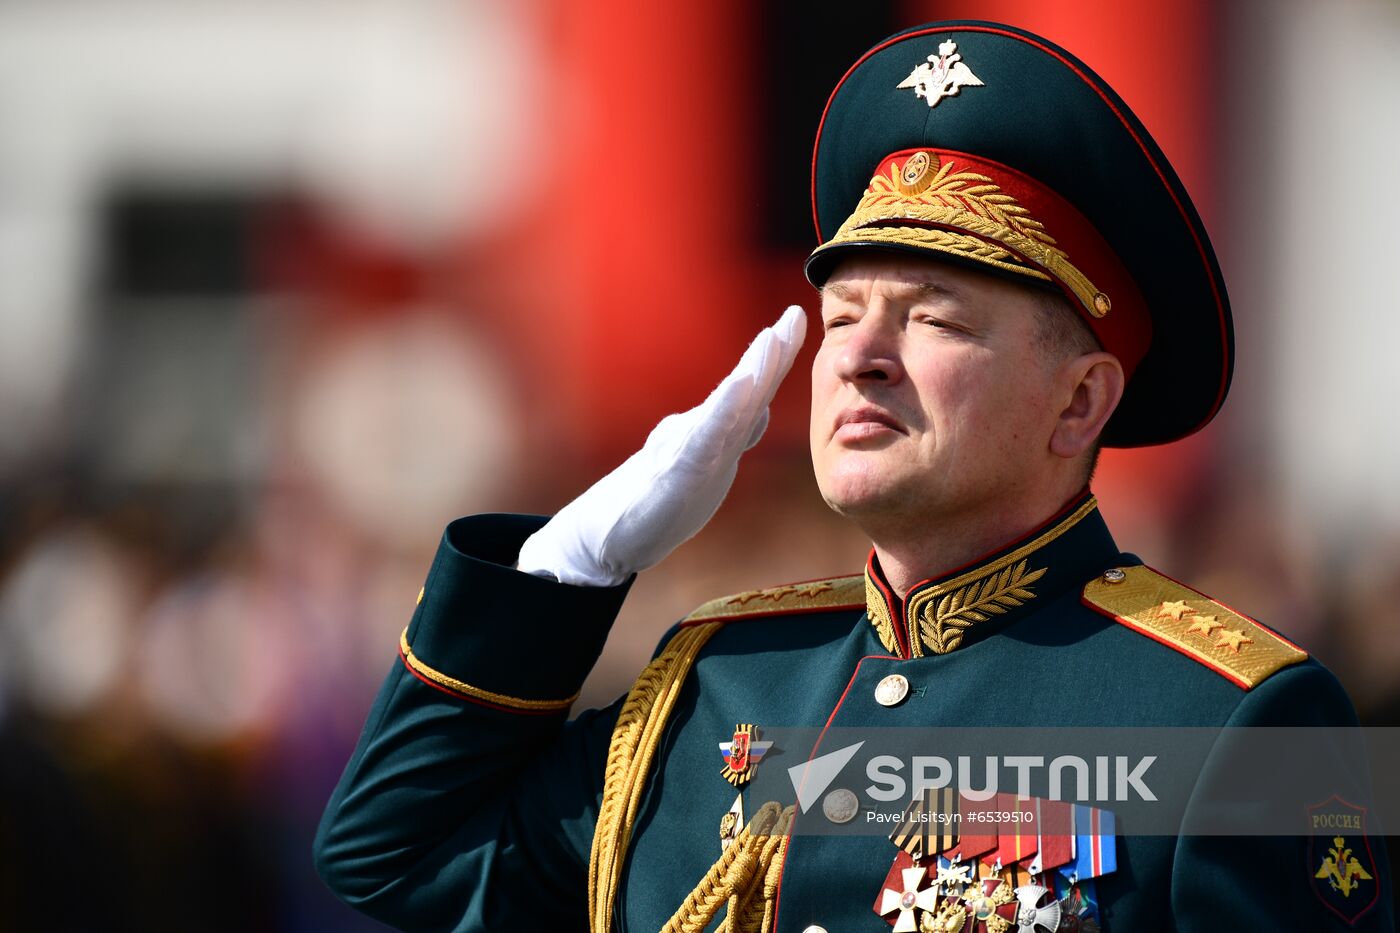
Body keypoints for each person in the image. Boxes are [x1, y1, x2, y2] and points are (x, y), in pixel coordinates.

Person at [314, 21, 1394, 933]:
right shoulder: (715, 688)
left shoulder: (1231, 716)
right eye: (840, 317)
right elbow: (392, 855)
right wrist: (563, 570)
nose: (860, 356)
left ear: (1078, 401)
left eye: (932, 319)